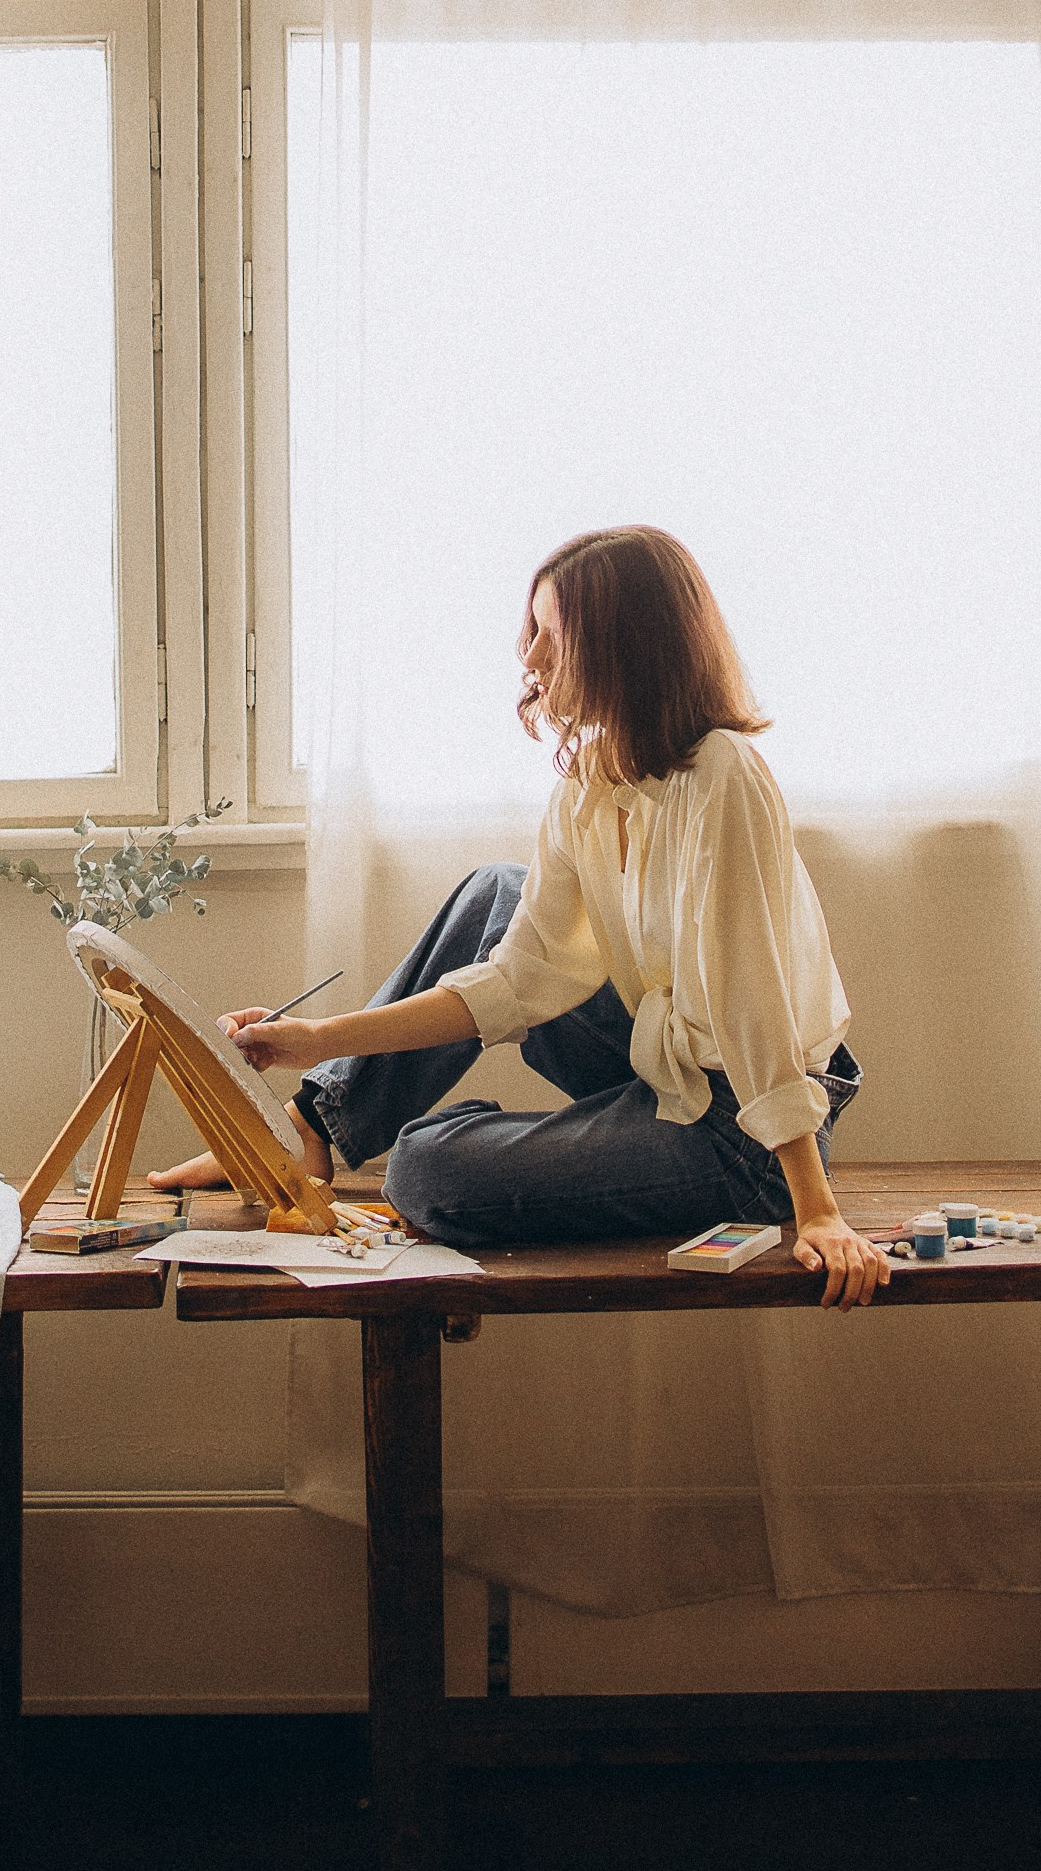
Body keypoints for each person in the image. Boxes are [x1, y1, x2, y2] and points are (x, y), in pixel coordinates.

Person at [153, 524, 890, 1307]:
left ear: (621, 646)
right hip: (664, 1065)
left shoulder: (721, 776)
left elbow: (751, 999)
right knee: (497, 895)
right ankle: (315, 1125)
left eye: (550, 635)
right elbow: (518, 980)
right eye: (530, 630)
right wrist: (315, 1040)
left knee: (424, 1171)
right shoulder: (588, 784)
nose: (528, 657)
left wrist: (814, 1209)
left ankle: (593, 1150)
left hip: (746, 1137)